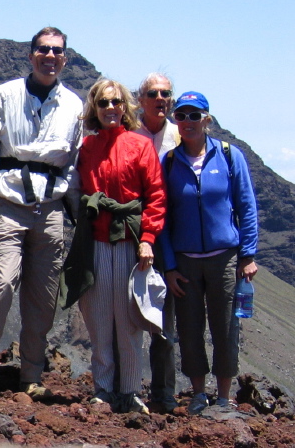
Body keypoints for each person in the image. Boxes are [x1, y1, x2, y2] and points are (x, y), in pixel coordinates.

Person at [0, 26, 83, 399]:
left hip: (49, 210)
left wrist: (78, 217)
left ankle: (31, 377)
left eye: (57, 51)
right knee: (0, 285)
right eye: (43, 50)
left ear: (65, 58)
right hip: (8, 203)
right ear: (31, 54)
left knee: (43, 297)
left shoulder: (74, 105)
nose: (50, 57)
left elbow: (75, 165)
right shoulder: (6, 94)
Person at [160, 91, 258, 415]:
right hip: (186, 261)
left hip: (225, 259)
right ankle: (199, 393)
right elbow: (162, 217)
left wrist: (248, 255)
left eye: (194, 115)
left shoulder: (230, 156)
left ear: (207, 119)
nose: (187, 122)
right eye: (181, 116)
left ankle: (224, 396)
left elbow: (246, 206)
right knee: (189, 329)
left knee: (226, 328)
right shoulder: (170, 162)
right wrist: (170, 266)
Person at [73, 78, 166, 413]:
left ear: (125, 106)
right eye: (103, 103)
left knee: (127, 319)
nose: (110, 108)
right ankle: (103, 387)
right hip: (96, 241)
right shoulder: (88, 148)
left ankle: (129, 390)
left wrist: (148, 240)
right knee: (99, 317)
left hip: (129, 241)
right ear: (95, 109)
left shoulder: (140, 146)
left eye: (116, 102)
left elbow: (155, 197)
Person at [134, 73, 180, 412]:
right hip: (134, 236)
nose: (160, 98)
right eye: (153, 93)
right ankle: (126, 386)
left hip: (172, 240)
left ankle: (164, 393)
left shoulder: (182, 135)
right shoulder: (128, 135)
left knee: (166, 321)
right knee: (128, 313)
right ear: (141, 98)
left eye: (166, 93)